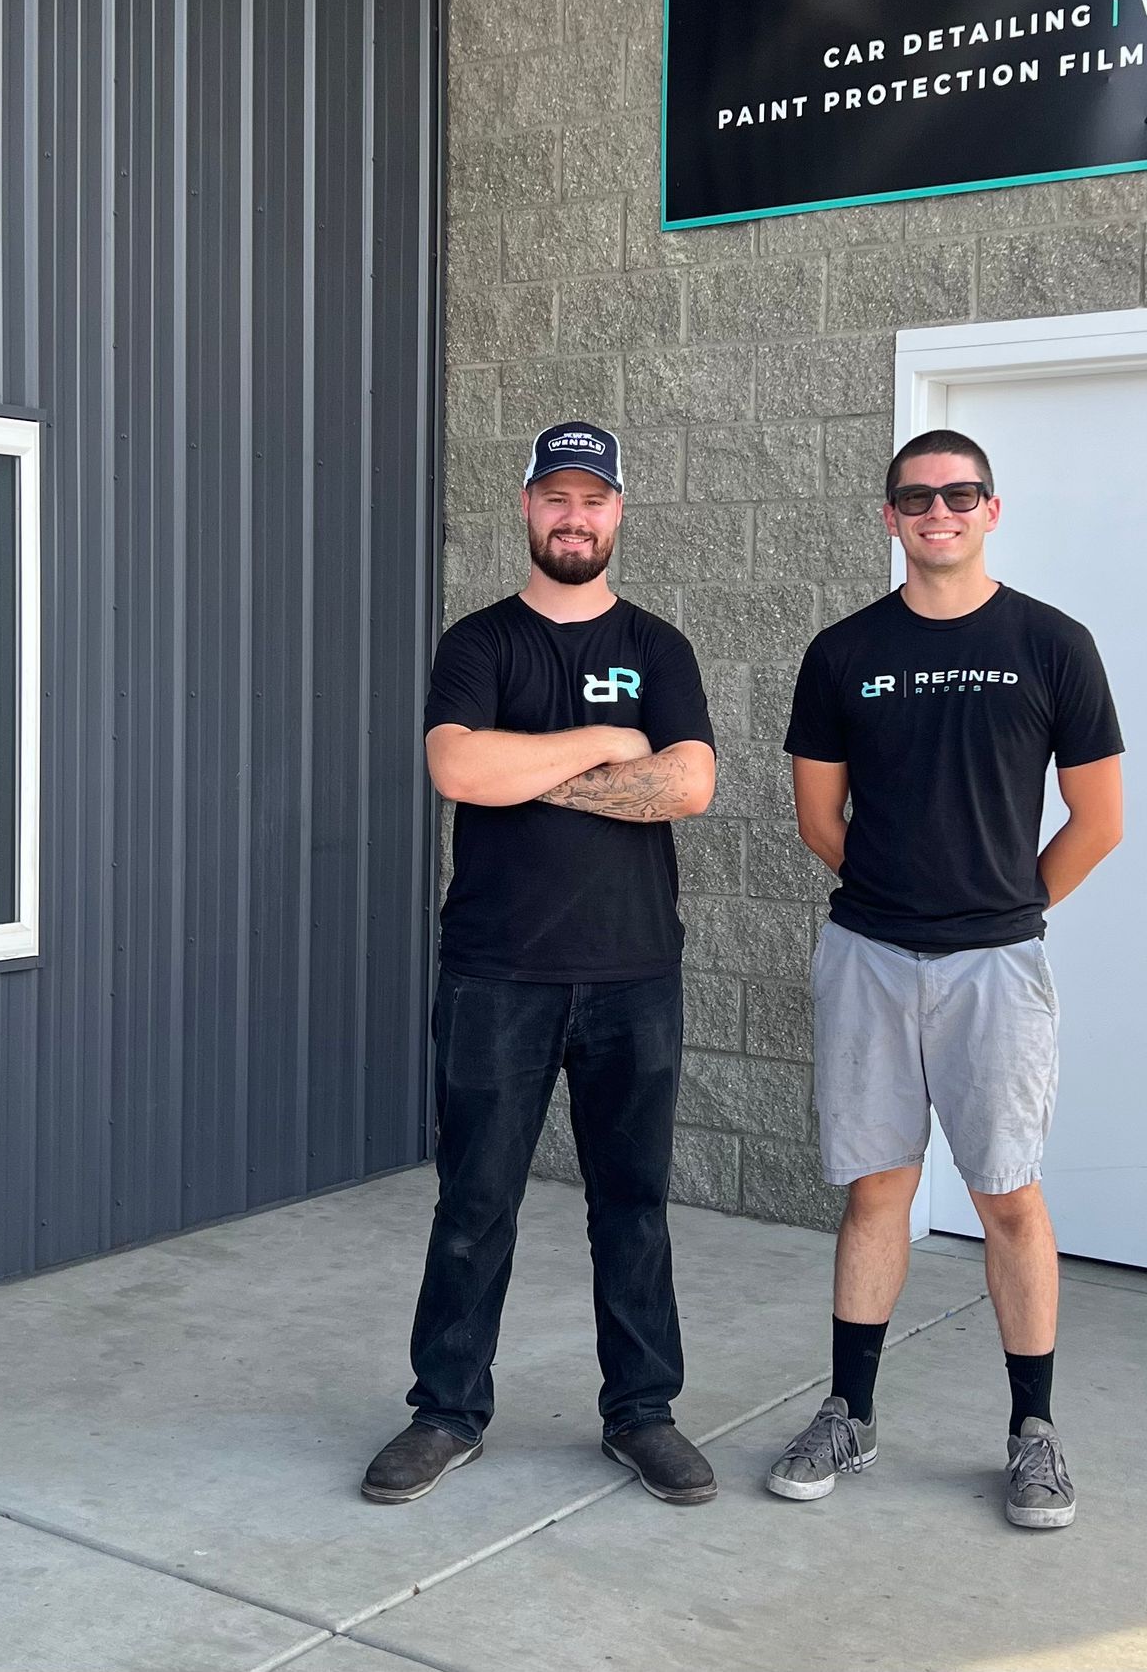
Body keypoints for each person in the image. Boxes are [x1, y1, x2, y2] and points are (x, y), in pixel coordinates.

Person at [764, 428, 1124, 1530]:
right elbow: (819, 818)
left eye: (961, 493)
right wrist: (903, 895)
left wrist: (999, 912)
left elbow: (1099, 821)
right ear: (890, 517)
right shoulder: (841, 652)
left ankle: (1034, 1434)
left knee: (1007, 1194)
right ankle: (850, 1412)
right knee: (877, 1187)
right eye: (917, 496)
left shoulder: (1052, 644)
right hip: (869, 958)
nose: (940, 510)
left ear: (991, 509)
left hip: (997, 971)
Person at [362, 420, 721, 1508]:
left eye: (594, 499)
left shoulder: (660, 647)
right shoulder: (479, 644)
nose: (576, 516)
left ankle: (642, 1413)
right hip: (496, 973)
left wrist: (529, 770)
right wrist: (608, 745)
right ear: (527, 506)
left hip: (632, 973)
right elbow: (457, 766)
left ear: (620, 512)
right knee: (474, 1202)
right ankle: (446, 1410)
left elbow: (689, 785)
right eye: (557, 498)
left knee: (635, 1206)